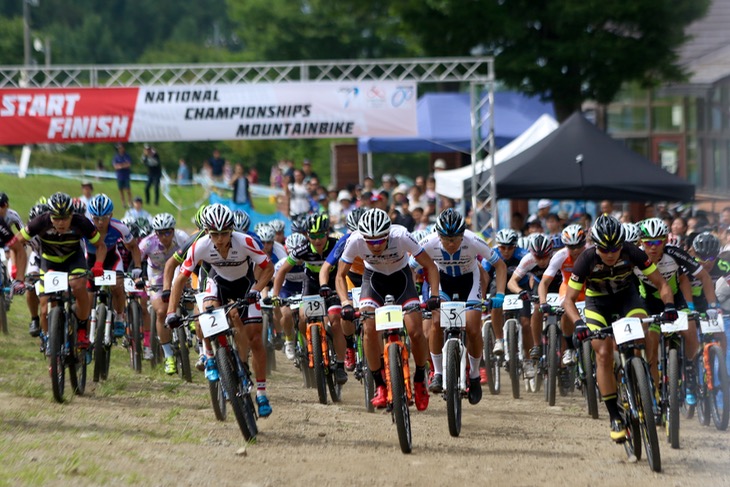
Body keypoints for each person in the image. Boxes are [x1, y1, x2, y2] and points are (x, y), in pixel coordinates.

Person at [564, 215, 675, 443]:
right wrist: (578, 323)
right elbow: (569, 300)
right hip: (598, 304)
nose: (611, 253)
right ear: (596, 246)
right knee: (603, 354)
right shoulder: (586, 260)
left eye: (615, 248)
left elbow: (661, 283)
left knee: (643, 335)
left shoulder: (633, 252)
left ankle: (645, 385)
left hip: (627, 298)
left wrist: (670, 306)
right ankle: (615, 416)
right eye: (605, 249)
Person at [166, 204, 275, 417]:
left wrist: (256, 290)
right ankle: (209, 356)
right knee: (205, 311)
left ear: (232, 230)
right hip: (217, 282)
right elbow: (180, 279)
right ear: (207, 231)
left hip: (245, 285)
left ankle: (261, 393)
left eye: (224, 233)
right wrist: (171, 312)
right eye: (214, 234)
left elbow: (268, 268)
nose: (220, 239)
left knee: (255, 339)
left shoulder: (246, 242)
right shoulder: (200, 246)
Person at [336, 208, 439, 411]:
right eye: (369, 241)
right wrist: (346, 302)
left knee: (416, 332)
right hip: (373, 281)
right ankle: (380, 385)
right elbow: (340, 276)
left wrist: (434, 295)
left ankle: (419, 379)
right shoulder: (356, 240)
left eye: (379, 241)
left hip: (402, 280)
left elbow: (431, 266)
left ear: (388, 234)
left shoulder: (400, 235)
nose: (374, 246)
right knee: (368, 329)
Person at [412, 208, 506, 406]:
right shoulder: (429, 242)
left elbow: (500, 265)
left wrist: (500, 294)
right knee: (436, 323)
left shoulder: (473, 241)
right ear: (438, 235)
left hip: (469, 283)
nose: (451, 243)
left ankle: (473, 376)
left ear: (463, 235)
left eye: (455, 238)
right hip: (443, 283)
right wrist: (414, 294)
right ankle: (438, 372)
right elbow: (409, 267)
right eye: (446, 239)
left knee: (473, 328)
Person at [16, 192, 105, 349]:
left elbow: (101, 246)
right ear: (49, 215)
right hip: (49, 262)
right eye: (56, 218)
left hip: (73, 259)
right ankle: (49, 339)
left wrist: (98, 264)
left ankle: (82, 328)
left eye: (65, 218)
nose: (61, 223)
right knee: (44, 308)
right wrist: (17, 269)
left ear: (72, 215)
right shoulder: (41, 222)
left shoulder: (82, 222)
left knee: (78, 286)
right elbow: (16, 242)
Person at [86, 194, 143, 338]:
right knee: (87, 293)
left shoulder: (119, 227)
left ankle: (119, 317)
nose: (99, 223)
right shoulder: (85, 227)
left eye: (104, 218)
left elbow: (133, 247)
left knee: (117, 286)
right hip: (90, 259)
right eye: (96, 218)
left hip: (112, 259)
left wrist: (137, 267)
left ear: (111, 215)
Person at [112, 144, 133, 209]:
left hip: (126, 175)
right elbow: (115, 166)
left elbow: (128, 164)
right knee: (121, 190)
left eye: (121, 148)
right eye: (119, 148)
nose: (120, 149)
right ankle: (123, 203)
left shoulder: (127, 156)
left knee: (128, 190)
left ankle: (130, 202)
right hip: (119, 176)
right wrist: (123, 165)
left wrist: (120, 166)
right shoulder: (116, 157)